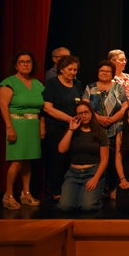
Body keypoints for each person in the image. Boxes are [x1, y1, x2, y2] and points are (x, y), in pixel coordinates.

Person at [0, 51, 45, 209]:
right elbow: (3, 106)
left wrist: (42, 125)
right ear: (16, 65)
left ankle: (26, 193)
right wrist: (9, 127)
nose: (26, 64)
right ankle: (8, 195)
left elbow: (42, 108)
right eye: (22, 61)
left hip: (33, 125)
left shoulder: (37, 84)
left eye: (28, 62)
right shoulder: (9, 83)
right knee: (17, 161)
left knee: (28, 160)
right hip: (17, 124)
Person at [82, 59, 129, 194]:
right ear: (98, 72)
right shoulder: (90, 88)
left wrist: (113, 118)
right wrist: (100, 119)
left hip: (116, 129)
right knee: (98, 159)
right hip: (95, 129)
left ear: (113, 74)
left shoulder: (118, 87)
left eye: (108, 71)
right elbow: (85, 106)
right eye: (102, 71)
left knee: (115, 160)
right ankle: (98, 189)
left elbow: (125, 106)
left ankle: (114, 189)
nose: (105, 73)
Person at [57, 101, 109, 212]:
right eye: (80, 113)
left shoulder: (100, 132)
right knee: (65, 206)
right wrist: (71, 129)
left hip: (92, 172)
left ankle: (97, 195)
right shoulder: (73, 131)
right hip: (73, 173)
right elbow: (61, 149)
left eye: (86, 112)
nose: (83, 116)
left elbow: (104, 159)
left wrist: (95, 178)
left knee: (87, 206)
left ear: (91, 113)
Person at [43, 54, 83, 199]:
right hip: (57, 127)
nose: (73, 73)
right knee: (57, 159)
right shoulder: (53, 83)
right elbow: (48, 108)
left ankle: (70, 189)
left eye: (75, 70)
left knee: (71, 159)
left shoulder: (77, 84)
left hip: (74, 128)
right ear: (61, 69)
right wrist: (68, 119)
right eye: (70, 69)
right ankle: (55, 191)